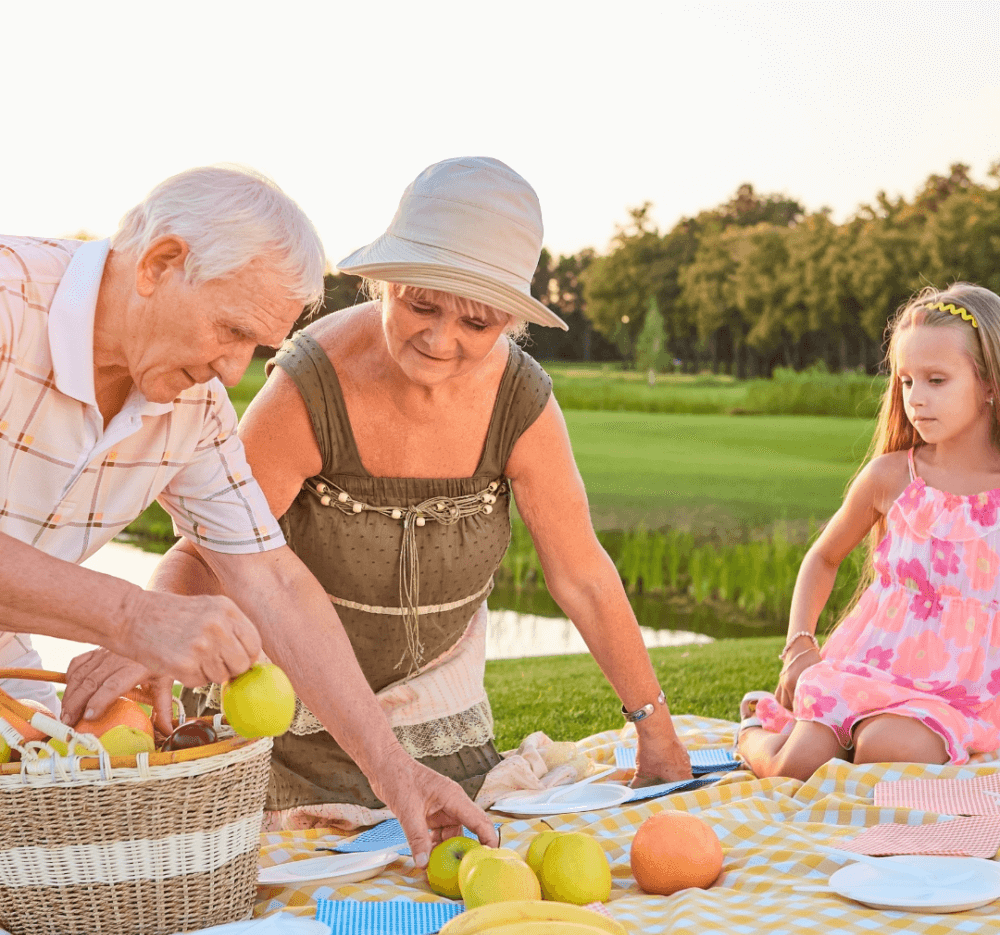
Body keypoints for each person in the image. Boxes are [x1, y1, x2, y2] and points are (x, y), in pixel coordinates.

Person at [141, 156, 692, 823]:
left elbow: (583, 578)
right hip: (275, 727)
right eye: (421, 304)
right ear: (384, 282)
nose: (439, 339)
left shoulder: (522, 405)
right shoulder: (309, 386)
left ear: (511, 323)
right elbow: (207, 555)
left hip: (435, 731)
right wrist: (143, 652)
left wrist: (655, 732)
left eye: (477, 324)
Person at [5, 165, 496, 864]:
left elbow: (272, 579)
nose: (235, 373)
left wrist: (394, 771)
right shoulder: (7, 302)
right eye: (230, 330)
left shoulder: (191, 410)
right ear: (160, 264)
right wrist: (139, 620)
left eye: (255, 347)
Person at [737, 283, 1000, 781]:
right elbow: (823, 557)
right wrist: (799, 645)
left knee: (888, 747)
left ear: (988, 381)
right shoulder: (890, 477)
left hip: (961, 690)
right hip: (871, 667)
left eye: (937, 380)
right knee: (798, 763)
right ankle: (753, 732)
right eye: (906, 381)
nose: (915, 399)